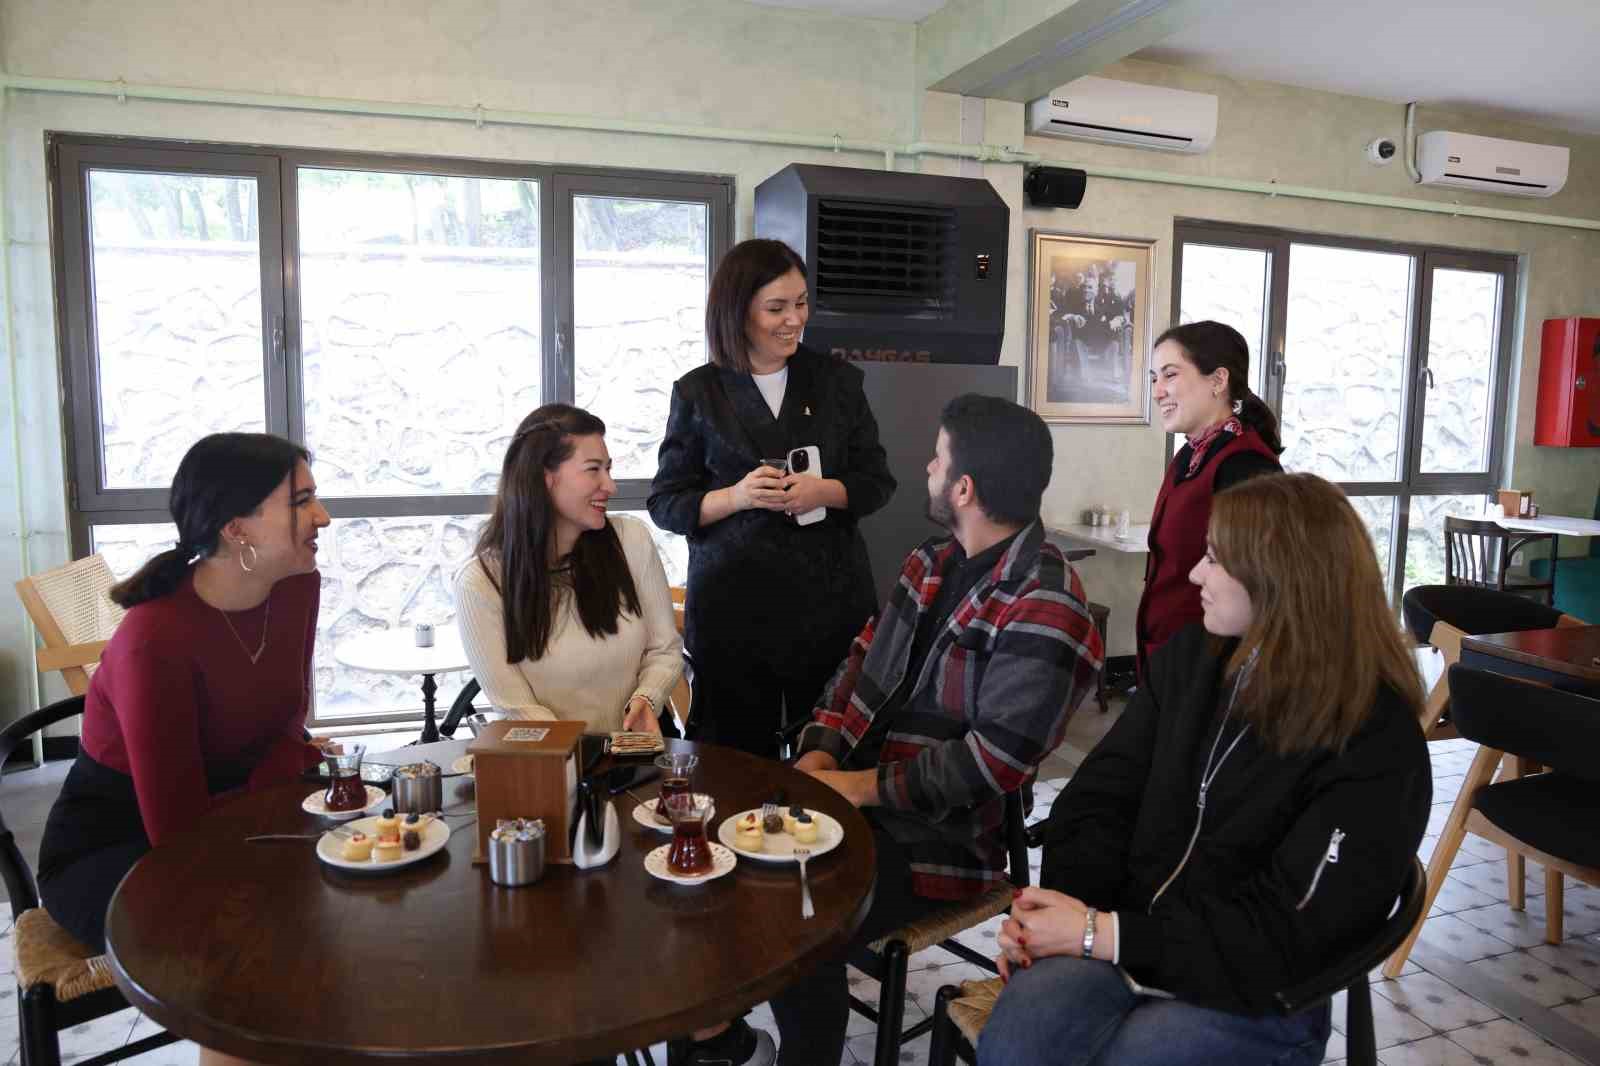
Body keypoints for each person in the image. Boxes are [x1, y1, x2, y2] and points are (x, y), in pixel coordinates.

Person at [977, 472, 1431, 1066]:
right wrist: (1059, 920)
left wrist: (1101, 934)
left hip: (1257, 996)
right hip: (1128, 944)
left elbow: (1287, 935)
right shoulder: (1195, 659)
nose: (1194, 575)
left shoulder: (1374, 740)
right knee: (1018, 1041)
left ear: (1282, 580)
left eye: (1214, 559)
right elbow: (1095, 803)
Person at [765, 394, 1104, 1066]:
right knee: (737, 870)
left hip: (941, 845)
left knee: (794, 915)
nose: (926, 468)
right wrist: (821, 748)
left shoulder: (1049, 602)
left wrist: (856, 789)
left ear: (965, 487)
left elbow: (990, 766)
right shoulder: (931, 560)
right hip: (856, 799)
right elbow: (860, 660)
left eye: (937, 458)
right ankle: (724, 1040)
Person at [38, 434, 330, 1059]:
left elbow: (287, 726)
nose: (323, 517)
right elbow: (176, 832)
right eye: (301, 501)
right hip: (116, 844)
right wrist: (282, 780)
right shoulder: (155, 637)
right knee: (244, 939)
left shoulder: (298, 589)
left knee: (361, 884)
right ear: (237, 528)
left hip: (229, 810)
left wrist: (286, 771)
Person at [649, 238, 895, 757]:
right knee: (732, 762)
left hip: (828, 605)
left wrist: (822, 491)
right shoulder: (699, 392)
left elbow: (877, 481)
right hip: (733, 611)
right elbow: (667, 503)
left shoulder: (837, 382)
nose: (793, 320)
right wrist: (736, 497)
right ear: (737, 312)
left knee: (832, 752)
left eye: (801, 303)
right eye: (777, 307)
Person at [455, 404, 681, 734]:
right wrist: (580, 763)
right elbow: (516, 706)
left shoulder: (631, 540)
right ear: (546, 478)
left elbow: (665, 647)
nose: (611, 485)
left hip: (636, 751)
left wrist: (648, 698)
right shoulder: (480, 583)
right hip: (549, 763)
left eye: (609, 469)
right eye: (594, 470)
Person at [1138, 320, 1282, 674]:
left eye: (1170, 375)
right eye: (1154, 378)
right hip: (1171, 653)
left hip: (1210, 662)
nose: (1157, 392)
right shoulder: (1189, 455)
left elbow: (1258, 585)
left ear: (1218, 380)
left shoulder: (1246, 466)